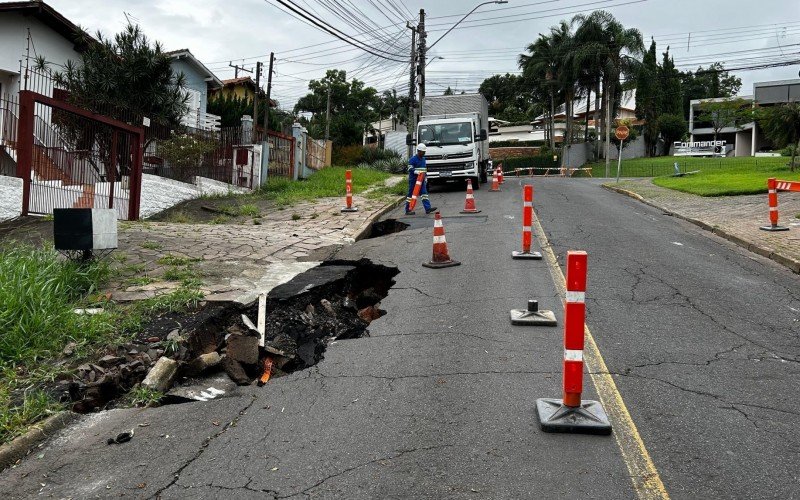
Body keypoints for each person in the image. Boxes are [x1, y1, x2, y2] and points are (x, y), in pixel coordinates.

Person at [406, 143, 437, 215]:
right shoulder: (413, 159)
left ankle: (428, 208)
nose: (424, 153)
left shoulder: (423, 159)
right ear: (418, 151)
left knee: (424, 194)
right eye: (423, 152)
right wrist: (415, 171)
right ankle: (408, 210)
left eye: (424, 152)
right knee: (411, 195)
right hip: (414, 180)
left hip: (421, 180)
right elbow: (409, 168)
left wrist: (425, 177)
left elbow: (424, 169)